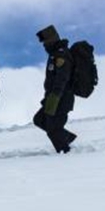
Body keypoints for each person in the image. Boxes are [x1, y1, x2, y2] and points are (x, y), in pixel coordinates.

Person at [33, 25, 77, 153]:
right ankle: (67, 138)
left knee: (53, 129)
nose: (44, 45)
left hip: (61, 98)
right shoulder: (54, 54)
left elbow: (62, 79)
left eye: (45, 42)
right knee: (39, 119)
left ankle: (65, 153)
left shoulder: (61, 55)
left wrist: (54, 99)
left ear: (52, 39)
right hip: (52, 97)